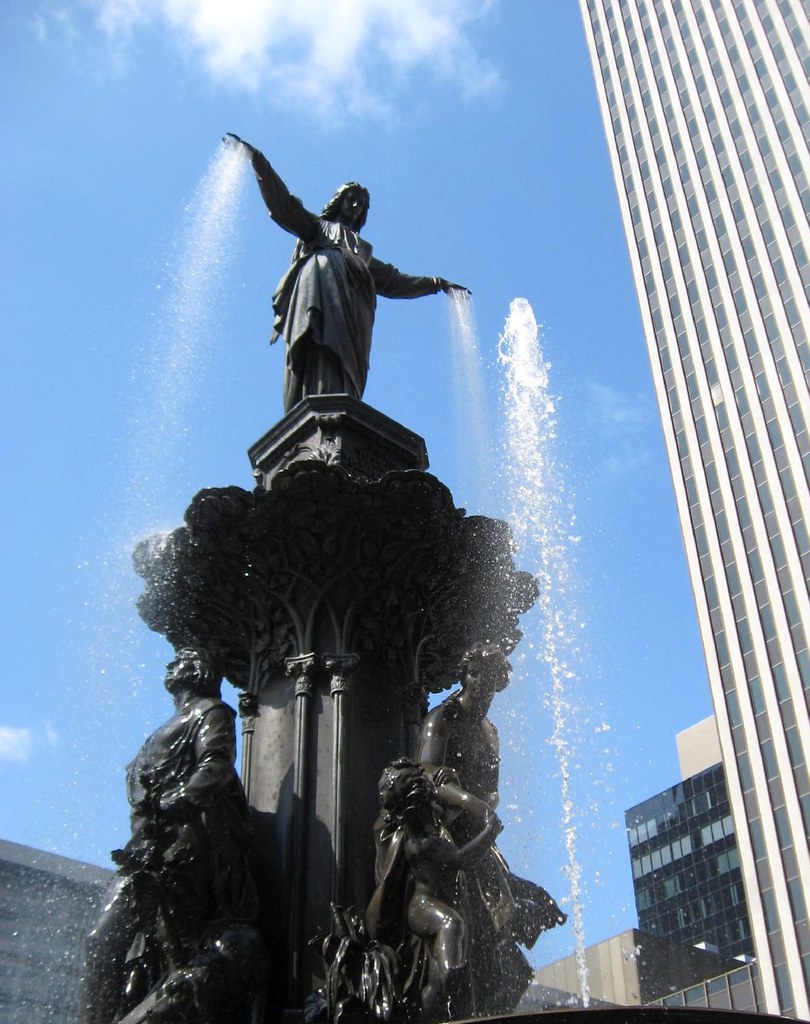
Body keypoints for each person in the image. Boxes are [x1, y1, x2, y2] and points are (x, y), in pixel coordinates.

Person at [80, 648, 260, 1024]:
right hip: (145, 850)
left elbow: (216, 765)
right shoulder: (171, 723)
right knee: (101, 940)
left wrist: (178, 801)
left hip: (183, 847)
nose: (170, 664)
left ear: (197, 671)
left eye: (180, 660)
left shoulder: (211, 711)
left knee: (179, 946)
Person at [224, 134, 468, 412]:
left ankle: (341, 409)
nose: (356, 206)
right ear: (338, 201)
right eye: (351, 199)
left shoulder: (362, 251)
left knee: (346, 365)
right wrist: (259, 161)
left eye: (362, 204)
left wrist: (436, 284)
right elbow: (284, 207)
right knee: (319, 345)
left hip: (355, 312)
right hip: (319, 292)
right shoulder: (317, 228)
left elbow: (394, 281)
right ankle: (313, 410)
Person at [417, 643, 567, 1014]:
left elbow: (491, 790)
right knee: (473, 944)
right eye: (475, 674)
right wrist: (473, 803)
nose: (481, 684)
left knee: (511, 964)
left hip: (480, 841)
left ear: (499, 682)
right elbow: (429, 778)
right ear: (464, 676)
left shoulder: (489, 732)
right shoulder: (442, 719)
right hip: (443, 836)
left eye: (490, 677)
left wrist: (487, 806)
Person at [366, 758, 501, 1021]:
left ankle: (440, 996)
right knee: (450, 924)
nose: (420, 781)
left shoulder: (429, 822)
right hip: (423, 906)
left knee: (434, 983)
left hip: (443, 900)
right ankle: (454, 981)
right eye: (411, 781)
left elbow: (452, 808)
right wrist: (490, 831)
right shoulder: (421, 840)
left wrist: (466, 795)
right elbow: (462, 858)